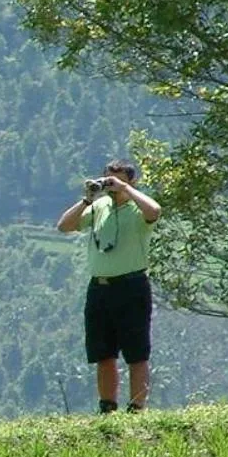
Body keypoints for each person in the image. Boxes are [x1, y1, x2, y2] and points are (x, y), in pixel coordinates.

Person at [56, 157, 163, 413]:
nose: (112, 187)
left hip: (132, 286)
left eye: (117, 181)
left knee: (136, 352)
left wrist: (126, 190)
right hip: (100, 288)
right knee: (103, 352)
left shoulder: (138, 208)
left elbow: (155, 211)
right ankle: (107, 406)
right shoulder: (98, 207)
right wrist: (87, 199)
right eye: (108, 180)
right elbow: (64, 226)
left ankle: (137, 407)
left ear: (131, 182)